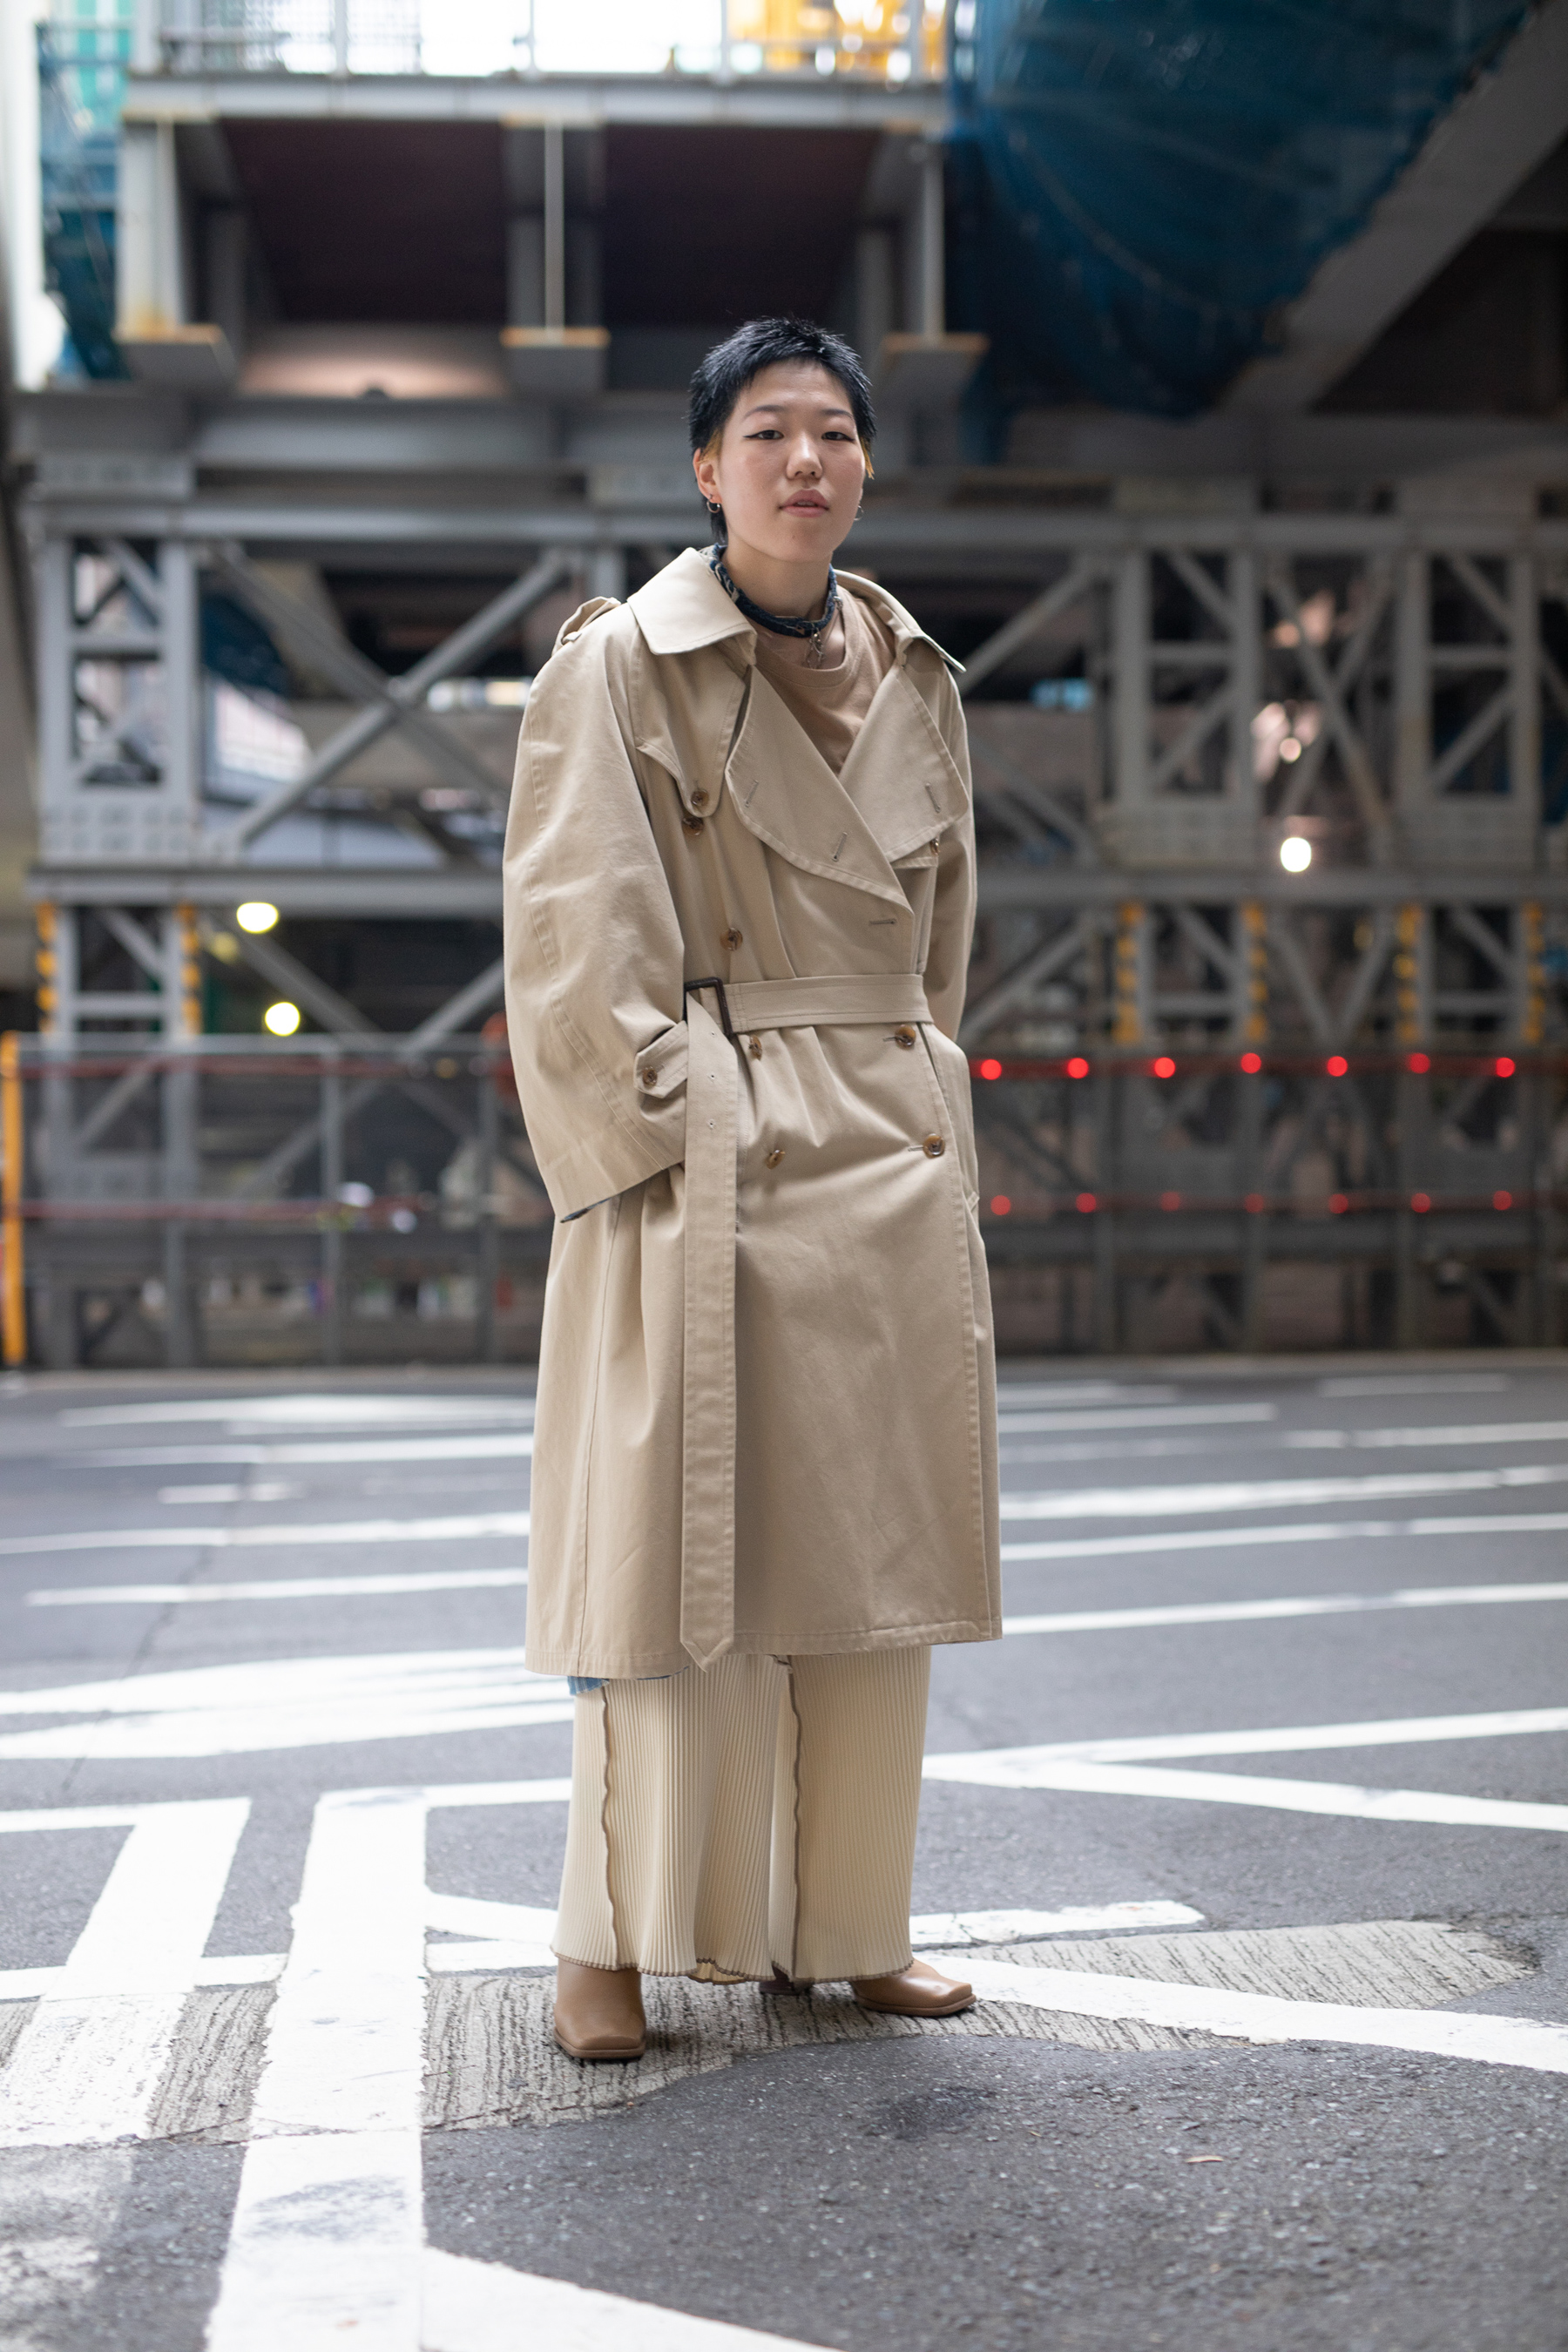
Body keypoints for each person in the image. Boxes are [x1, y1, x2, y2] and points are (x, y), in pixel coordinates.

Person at [503, 315, 1000, 2062]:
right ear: (708, 468)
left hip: (880, 1149)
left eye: (837, 431)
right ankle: (607, 1944)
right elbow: (573, 945)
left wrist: (916, 1081)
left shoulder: (917, 673)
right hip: (715, 1147)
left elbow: (938, 943)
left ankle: (848, 1923)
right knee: (673, 1577)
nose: (809, 461)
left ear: (866, 465)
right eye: (772, 431)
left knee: (871, 1575)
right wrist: (686, 1119)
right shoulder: (619, 665)